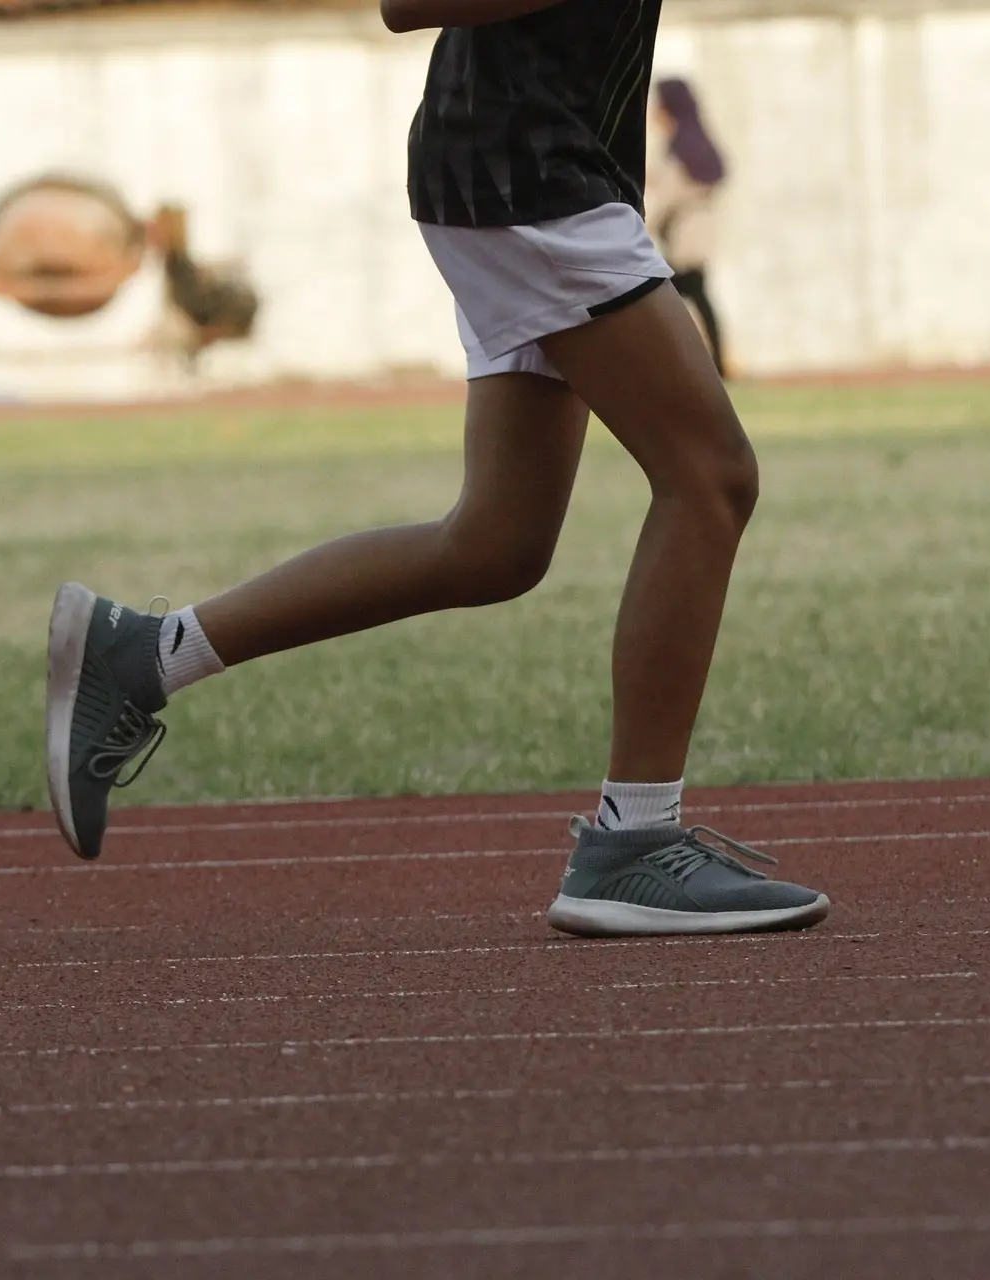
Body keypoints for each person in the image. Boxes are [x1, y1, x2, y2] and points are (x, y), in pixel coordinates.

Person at [42, 0, 830, 937]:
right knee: (711, 478)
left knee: (497, 544)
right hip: (530, 175)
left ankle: (148, 653)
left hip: (540, 167)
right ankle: (633, 842)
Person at [647, 78, 728, 377]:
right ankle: (711, 363)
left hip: (687, 236)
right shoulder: (686, 143)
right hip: (689, 234)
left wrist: (644, 228)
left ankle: (692, 365)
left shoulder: (683, 147)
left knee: (668, 300)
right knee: (694, 297)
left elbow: (669, 195)